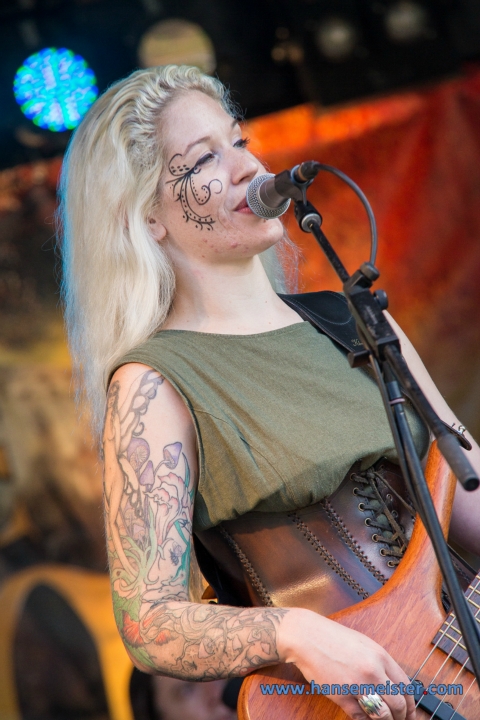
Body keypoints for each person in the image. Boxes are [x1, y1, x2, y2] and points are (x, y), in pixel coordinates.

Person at [57, 65, 480, 720]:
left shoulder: (358, 320)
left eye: (237, 140)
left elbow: (467, 489)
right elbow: (149, 622)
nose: (245, 167)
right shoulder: (154, 383)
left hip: (465, 659)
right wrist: (297, 633)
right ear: (148, 215)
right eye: (203, 159)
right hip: (351, 704)